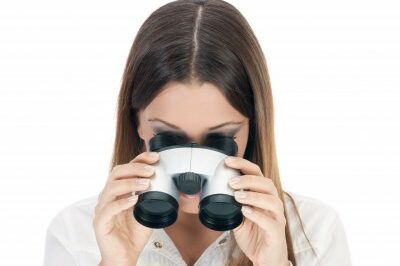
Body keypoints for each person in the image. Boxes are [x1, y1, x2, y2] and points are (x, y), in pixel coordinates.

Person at [43, 0, 352, 265]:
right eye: (168, 139)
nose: (192, 163)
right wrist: (117, 261)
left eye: (220, 141)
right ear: (135, 122)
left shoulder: (314, 233)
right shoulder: (77, 234)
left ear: (254, 126)